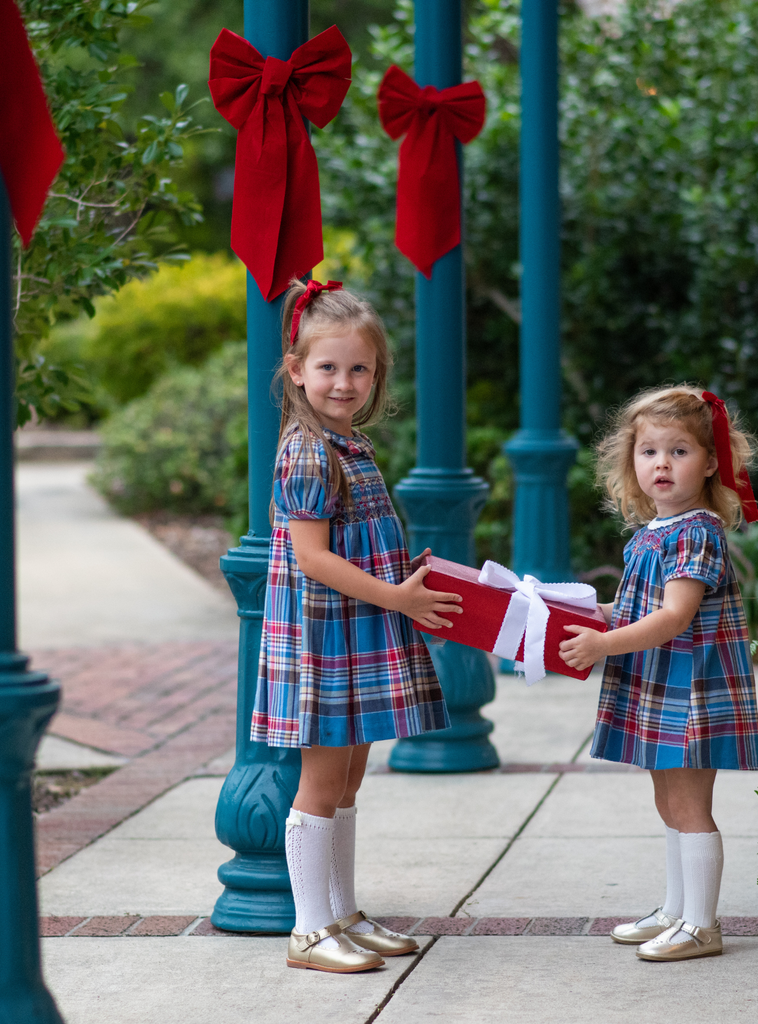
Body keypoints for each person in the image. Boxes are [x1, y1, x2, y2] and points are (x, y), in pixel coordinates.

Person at [251, 279, 463, 974]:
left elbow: (356, 544)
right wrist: (396, 598)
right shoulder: (307, 451)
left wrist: (404, 571)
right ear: (297, 371)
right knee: (319, 783)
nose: (343, 382)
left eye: (358, 369)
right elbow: (311, 557)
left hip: (360, 630)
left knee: (348, 782)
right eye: (328, 368)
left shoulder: (352, 446)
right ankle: (310, 930)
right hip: (324, 639)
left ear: (376, 375)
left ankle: (342, 912)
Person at [559, 385, 758, 962]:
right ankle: (677, 910)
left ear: (711, 462)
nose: (662, 464)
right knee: (668, 801)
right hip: (660, 682)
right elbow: (636, 609)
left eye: (679, 451)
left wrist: (602, 643)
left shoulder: (696, 531)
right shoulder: (653, 532)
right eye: (649, 452)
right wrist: (578, 611)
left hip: (692, 685)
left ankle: (701, 924)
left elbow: (674, 617)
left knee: (690, 804)